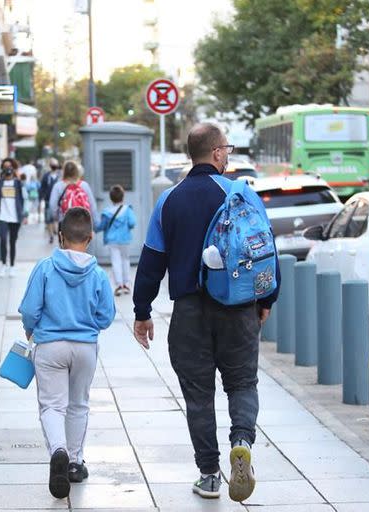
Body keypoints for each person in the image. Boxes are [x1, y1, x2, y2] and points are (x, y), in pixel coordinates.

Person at [132, 123, 280, 503]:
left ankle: (210, 475)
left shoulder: (169, 200)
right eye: (226, 149)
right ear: (216, 153)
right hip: (238, 309)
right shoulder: (241, 194)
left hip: (189, 312)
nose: (228, 155)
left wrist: (142, 310)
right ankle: (242, 441)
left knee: (198, 396)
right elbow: (265, 250)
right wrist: (265, 301)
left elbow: (151, 261)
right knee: (242, 384)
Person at [18, 207, 116, 500]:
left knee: (52, 406)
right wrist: (88, 325)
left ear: (60, 236)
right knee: (78, 405)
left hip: (50, 346)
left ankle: (58, 451)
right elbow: (106, 315)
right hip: (85, 347)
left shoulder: (45, 268)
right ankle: (74, 462)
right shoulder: (98, 274)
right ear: (90, 237)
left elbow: (29, 309)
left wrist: (31, 329)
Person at [95, 185, 136, 296]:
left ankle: (118, 285)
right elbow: (132, 223)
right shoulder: (128, 209)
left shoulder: (106, 212)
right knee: (125, 260)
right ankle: (126, 284)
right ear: (123, 197)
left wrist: (94, 229)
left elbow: (101, 226)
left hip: (112, 241)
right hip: (125, 239)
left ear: (111, 198)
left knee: (116, 261)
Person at [0, 159, 25, 277]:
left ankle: (12, 266)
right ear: (2, 169)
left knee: (12, 242)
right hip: (2, 216)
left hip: (15, 217)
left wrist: (23, 215)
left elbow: (22, 199)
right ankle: (3, 265)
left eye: (9, 167)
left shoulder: (17, 183)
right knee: (3, 239)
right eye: (5, 167)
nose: (8, 169)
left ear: (13, 168)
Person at [48, 161, 98, 226]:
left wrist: (57, 217)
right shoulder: (84, 185)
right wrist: (95, 222)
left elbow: (52, 205)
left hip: (65, 222)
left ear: (64, 171)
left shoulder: (58, 186)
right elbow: (92, 205)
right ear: (77, 171)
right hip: (82, 223)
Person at [40, 158, 61, 243]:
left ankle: (55, 229)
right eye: (52, 164)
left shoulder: (60, 176)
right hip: (48, 200)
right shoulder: (46, 176)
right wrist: (42, 197)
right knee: (49, 218)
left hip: (59, 201)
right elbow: (42, 188)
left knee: (57, 218)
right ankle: (51, 235)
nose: (54, 166)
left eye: (55, 164)